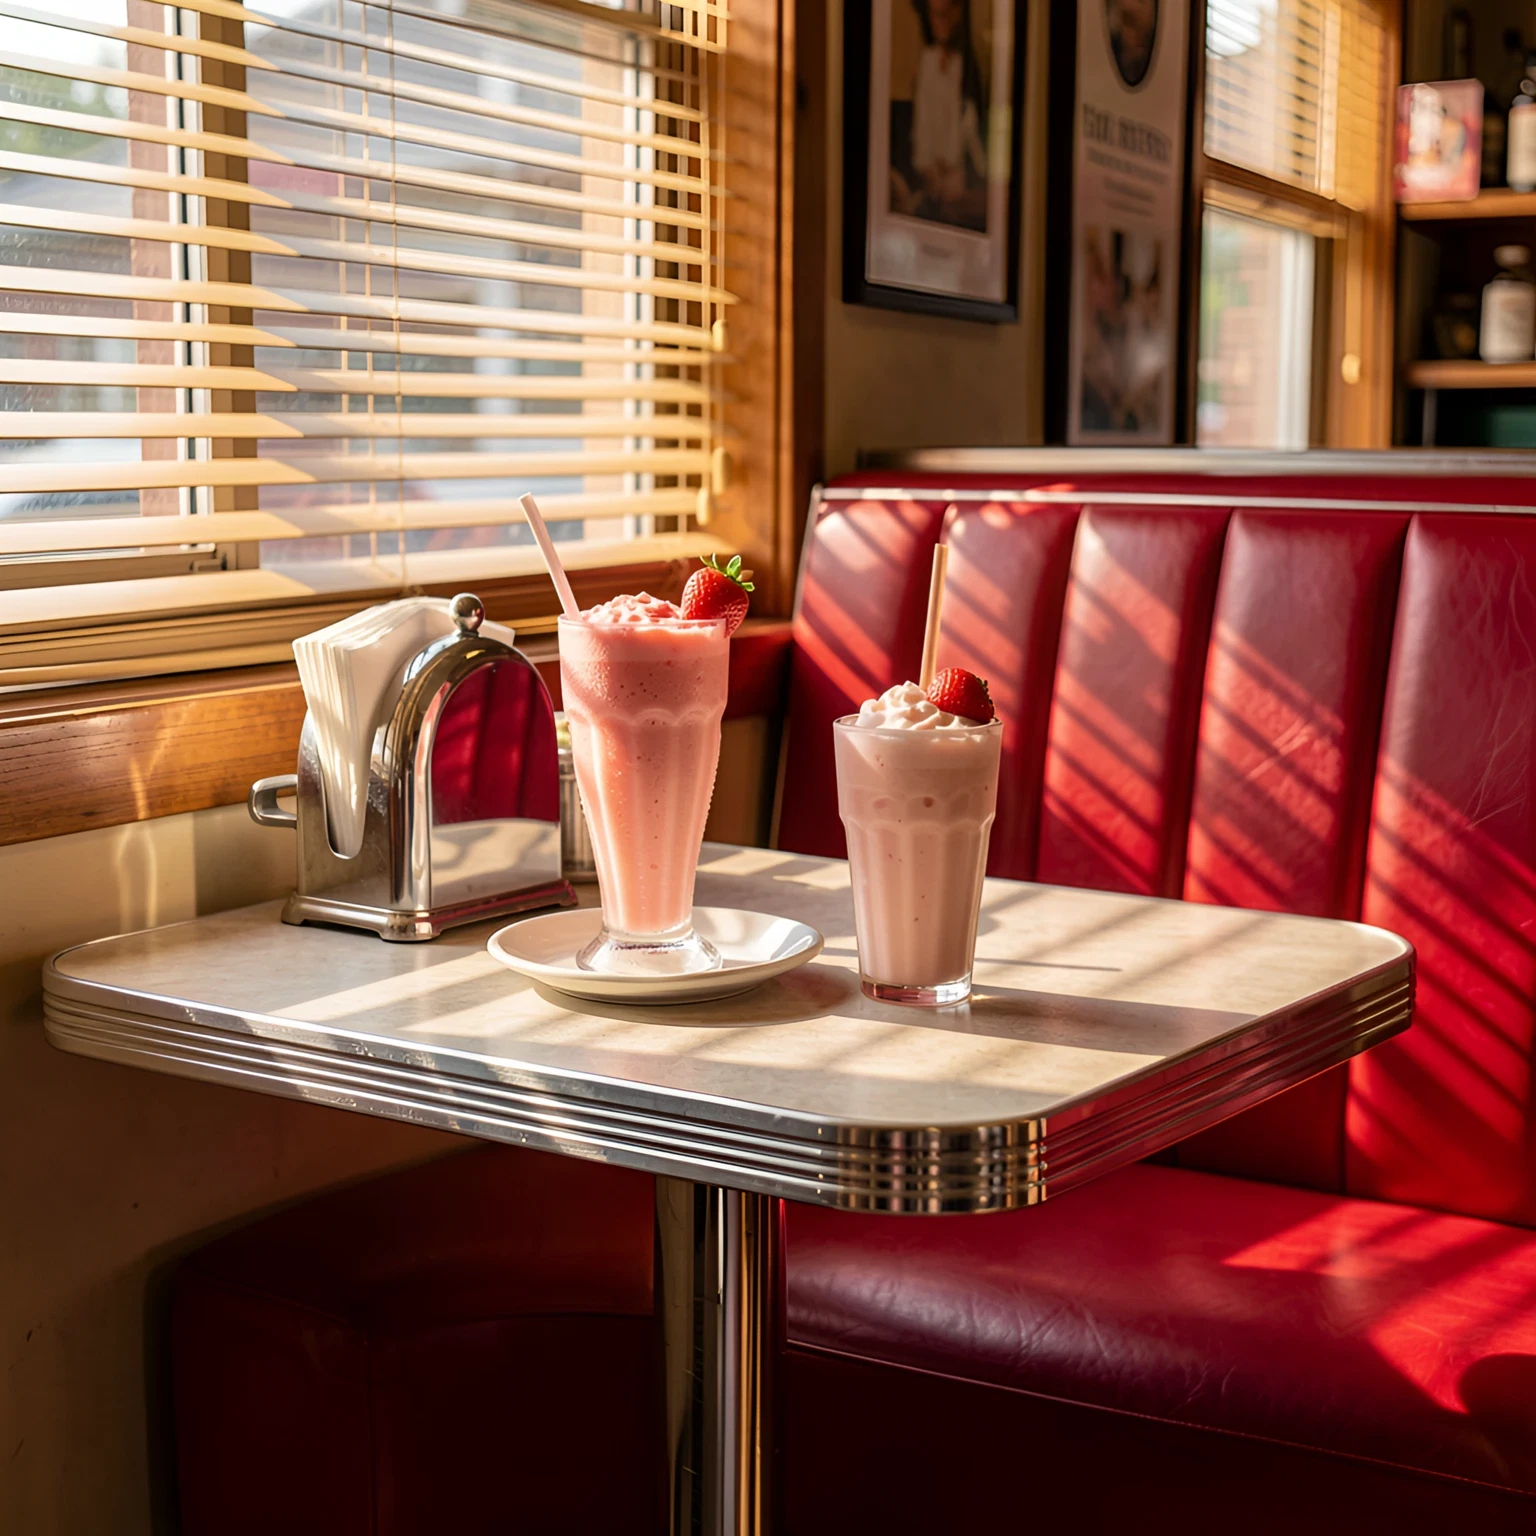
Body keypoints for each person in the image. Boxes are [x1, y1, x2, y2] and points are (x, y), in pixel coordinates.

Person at [890, 0, 989, 230]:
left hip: (959, 179)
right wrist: (927, 167)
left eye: (945, 14)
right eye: (935, 15)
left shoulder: (965, 66)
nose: (940, 22)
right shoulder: (928, 61)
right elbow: (923, 123)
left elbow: (968, 129)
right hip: (929, 176)